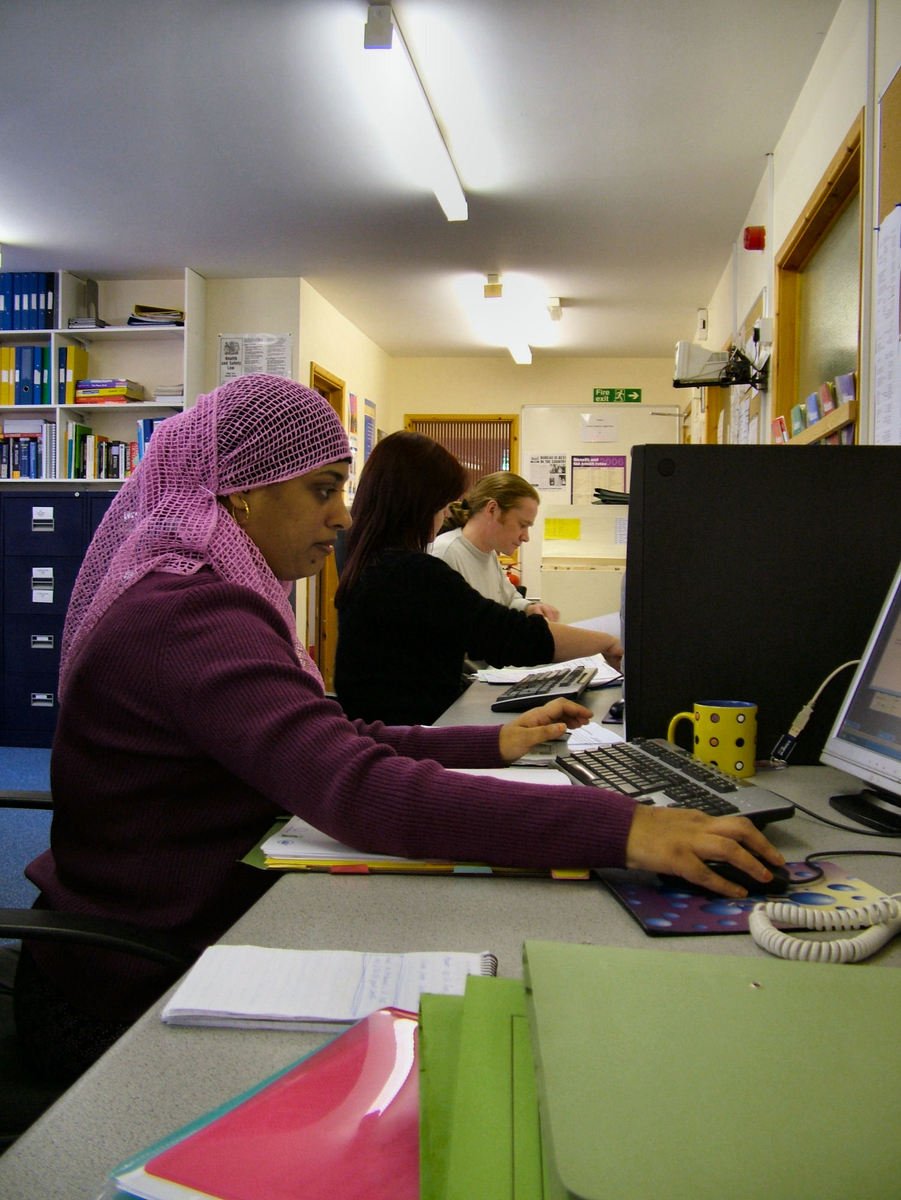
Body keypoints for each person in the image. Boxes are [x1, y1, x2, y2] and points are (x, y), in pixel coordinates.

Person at [16, 375, 782, 1084]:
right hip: (125, 987)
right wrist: (625, 829)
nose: (343, 515)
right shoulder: (192, 611)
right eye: (321, 489)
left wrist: (492, 742)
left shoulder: (199, 588)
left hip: (181, 917)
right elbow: (353, 789)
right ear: (239, 495)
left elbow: (330, 737)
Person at [334, 431, 622, 726]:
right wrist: (607, 642)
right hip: (413, 734)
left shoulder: (374, 564)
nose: (446, 513)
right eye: (441, 505)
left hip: (409, 723)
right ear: (417, 504)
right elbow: (504, 634)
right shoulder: (411, 571)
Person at [431, 471, 561, 621]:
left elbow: (509, 599)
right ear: (492, 509)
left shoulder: (488, 553)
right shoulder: (445, 554)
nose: (526, 537)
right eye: (522, 525)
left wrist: (530, 607)